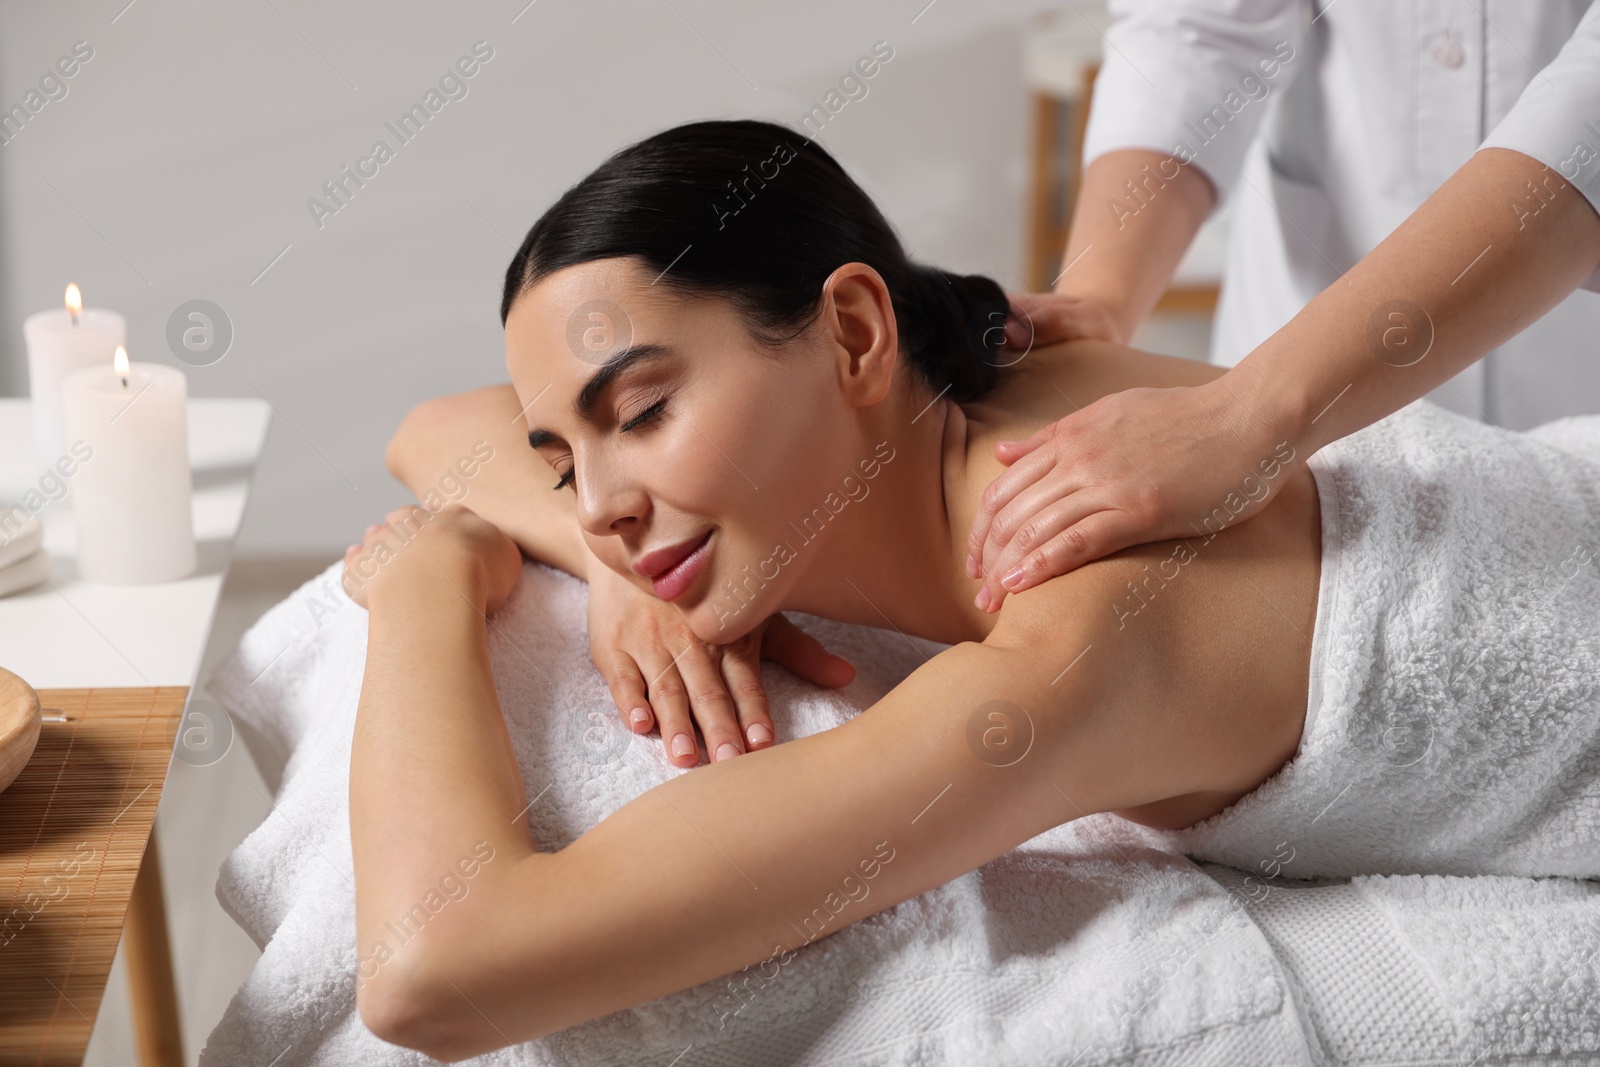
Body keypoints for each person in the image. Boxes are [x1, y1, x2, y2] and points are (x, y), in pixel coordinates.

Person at [345, 120, 1598, 1056]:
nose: (599, 499)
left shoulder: (1074, 648)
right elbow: (438, 427)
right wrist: (610, 547)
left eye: (645, 409)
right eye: (564, 456)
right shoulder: (996, 374)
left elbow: (429, 972)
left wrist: (426, 578)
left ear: (851, 332)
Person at [966, 0, 1600, 612]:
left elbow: (1585, 114)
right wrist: (1100, 296)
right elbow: (1198, 24)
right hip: (1297, 352)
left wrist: (1247, 416)